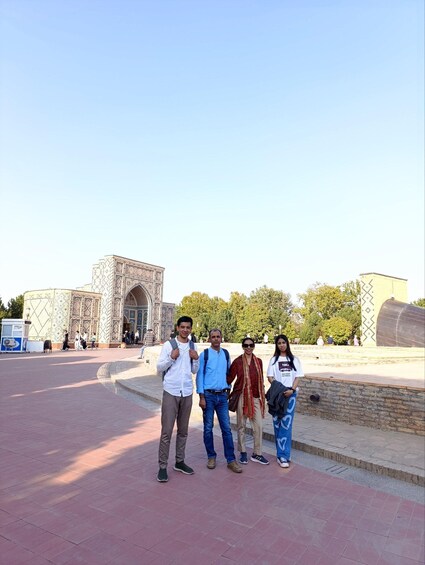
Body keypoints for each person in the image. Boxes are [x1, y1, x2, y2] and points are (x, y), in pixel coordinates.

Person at [156, 316, 199, 483]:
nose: (185, 330)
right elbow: (159, 367)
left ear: (191, 329)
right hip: (171, 391)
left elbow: (194, 370)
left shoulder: (193, 346)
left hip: (186, 392)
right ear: (177, 328)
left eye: (188, 327)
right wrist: (171, 357)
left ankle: (179, 461)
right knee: (167, 431)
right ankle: (162, 466)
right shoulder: (169, 345)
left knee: (183, 431)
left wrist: (196, 359)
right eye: (182, 327)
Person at [196, 329, 242, 474]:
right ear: (209, 339)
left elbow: (229, 374)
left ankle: (231, 460)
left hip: (222, 396)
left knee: (226, 429)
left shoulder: (225, 354)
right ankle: (211, 456)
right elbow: (200, 376)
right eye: (213, 337)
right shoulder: (205, 355)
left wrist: (228, 389)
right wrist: (201, 396)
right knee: (208, 428)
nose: (216, 339)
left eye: (218, 336)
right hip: (208, 396)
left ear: (221, 338)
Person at [227, 337, 268, 465]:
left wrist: (262, 395)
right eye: (246, 345)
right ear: (243, 347)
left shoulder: (258, 361)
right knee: (241, 426)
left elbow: (261, 379)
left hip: (255, 397)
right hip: (241, 396)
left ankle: (257, 453)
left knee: (259, 426)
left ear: (254, 346)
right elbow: (229, 378)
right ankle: (243, 452)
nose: (248, 347)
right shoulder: (238, 362)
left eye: (251, 345)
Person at [266, 334, 304, 468]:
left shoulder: (294, 360)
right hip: (278, 395)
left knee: (286, 425)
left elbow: (298, 377)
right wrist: (279, 388)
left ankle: (284, 455)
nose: (282, 345)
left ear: (287, 343)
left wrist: (292, 390)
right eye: (279, 343)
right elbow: (270, 377)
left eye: (283, 342)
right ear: (276, 345)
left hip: (290, 395)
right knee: (277, 424)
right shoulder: (274, 360)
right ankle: (281, 454)